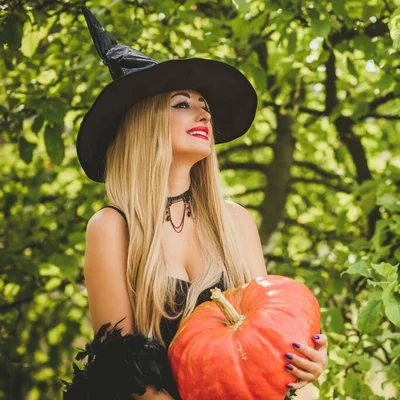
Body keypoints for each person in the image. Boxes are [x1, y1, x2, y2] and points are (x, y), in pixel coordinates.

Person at [60, 5, 328, 400]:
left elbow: (266, 339)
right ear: (144, 123)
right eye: (182, 103)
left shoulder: (234, 222)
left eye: (204, 104)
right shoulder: (112, 227)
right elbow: (121, 367)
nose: (202, 111)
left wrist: (305, 363)